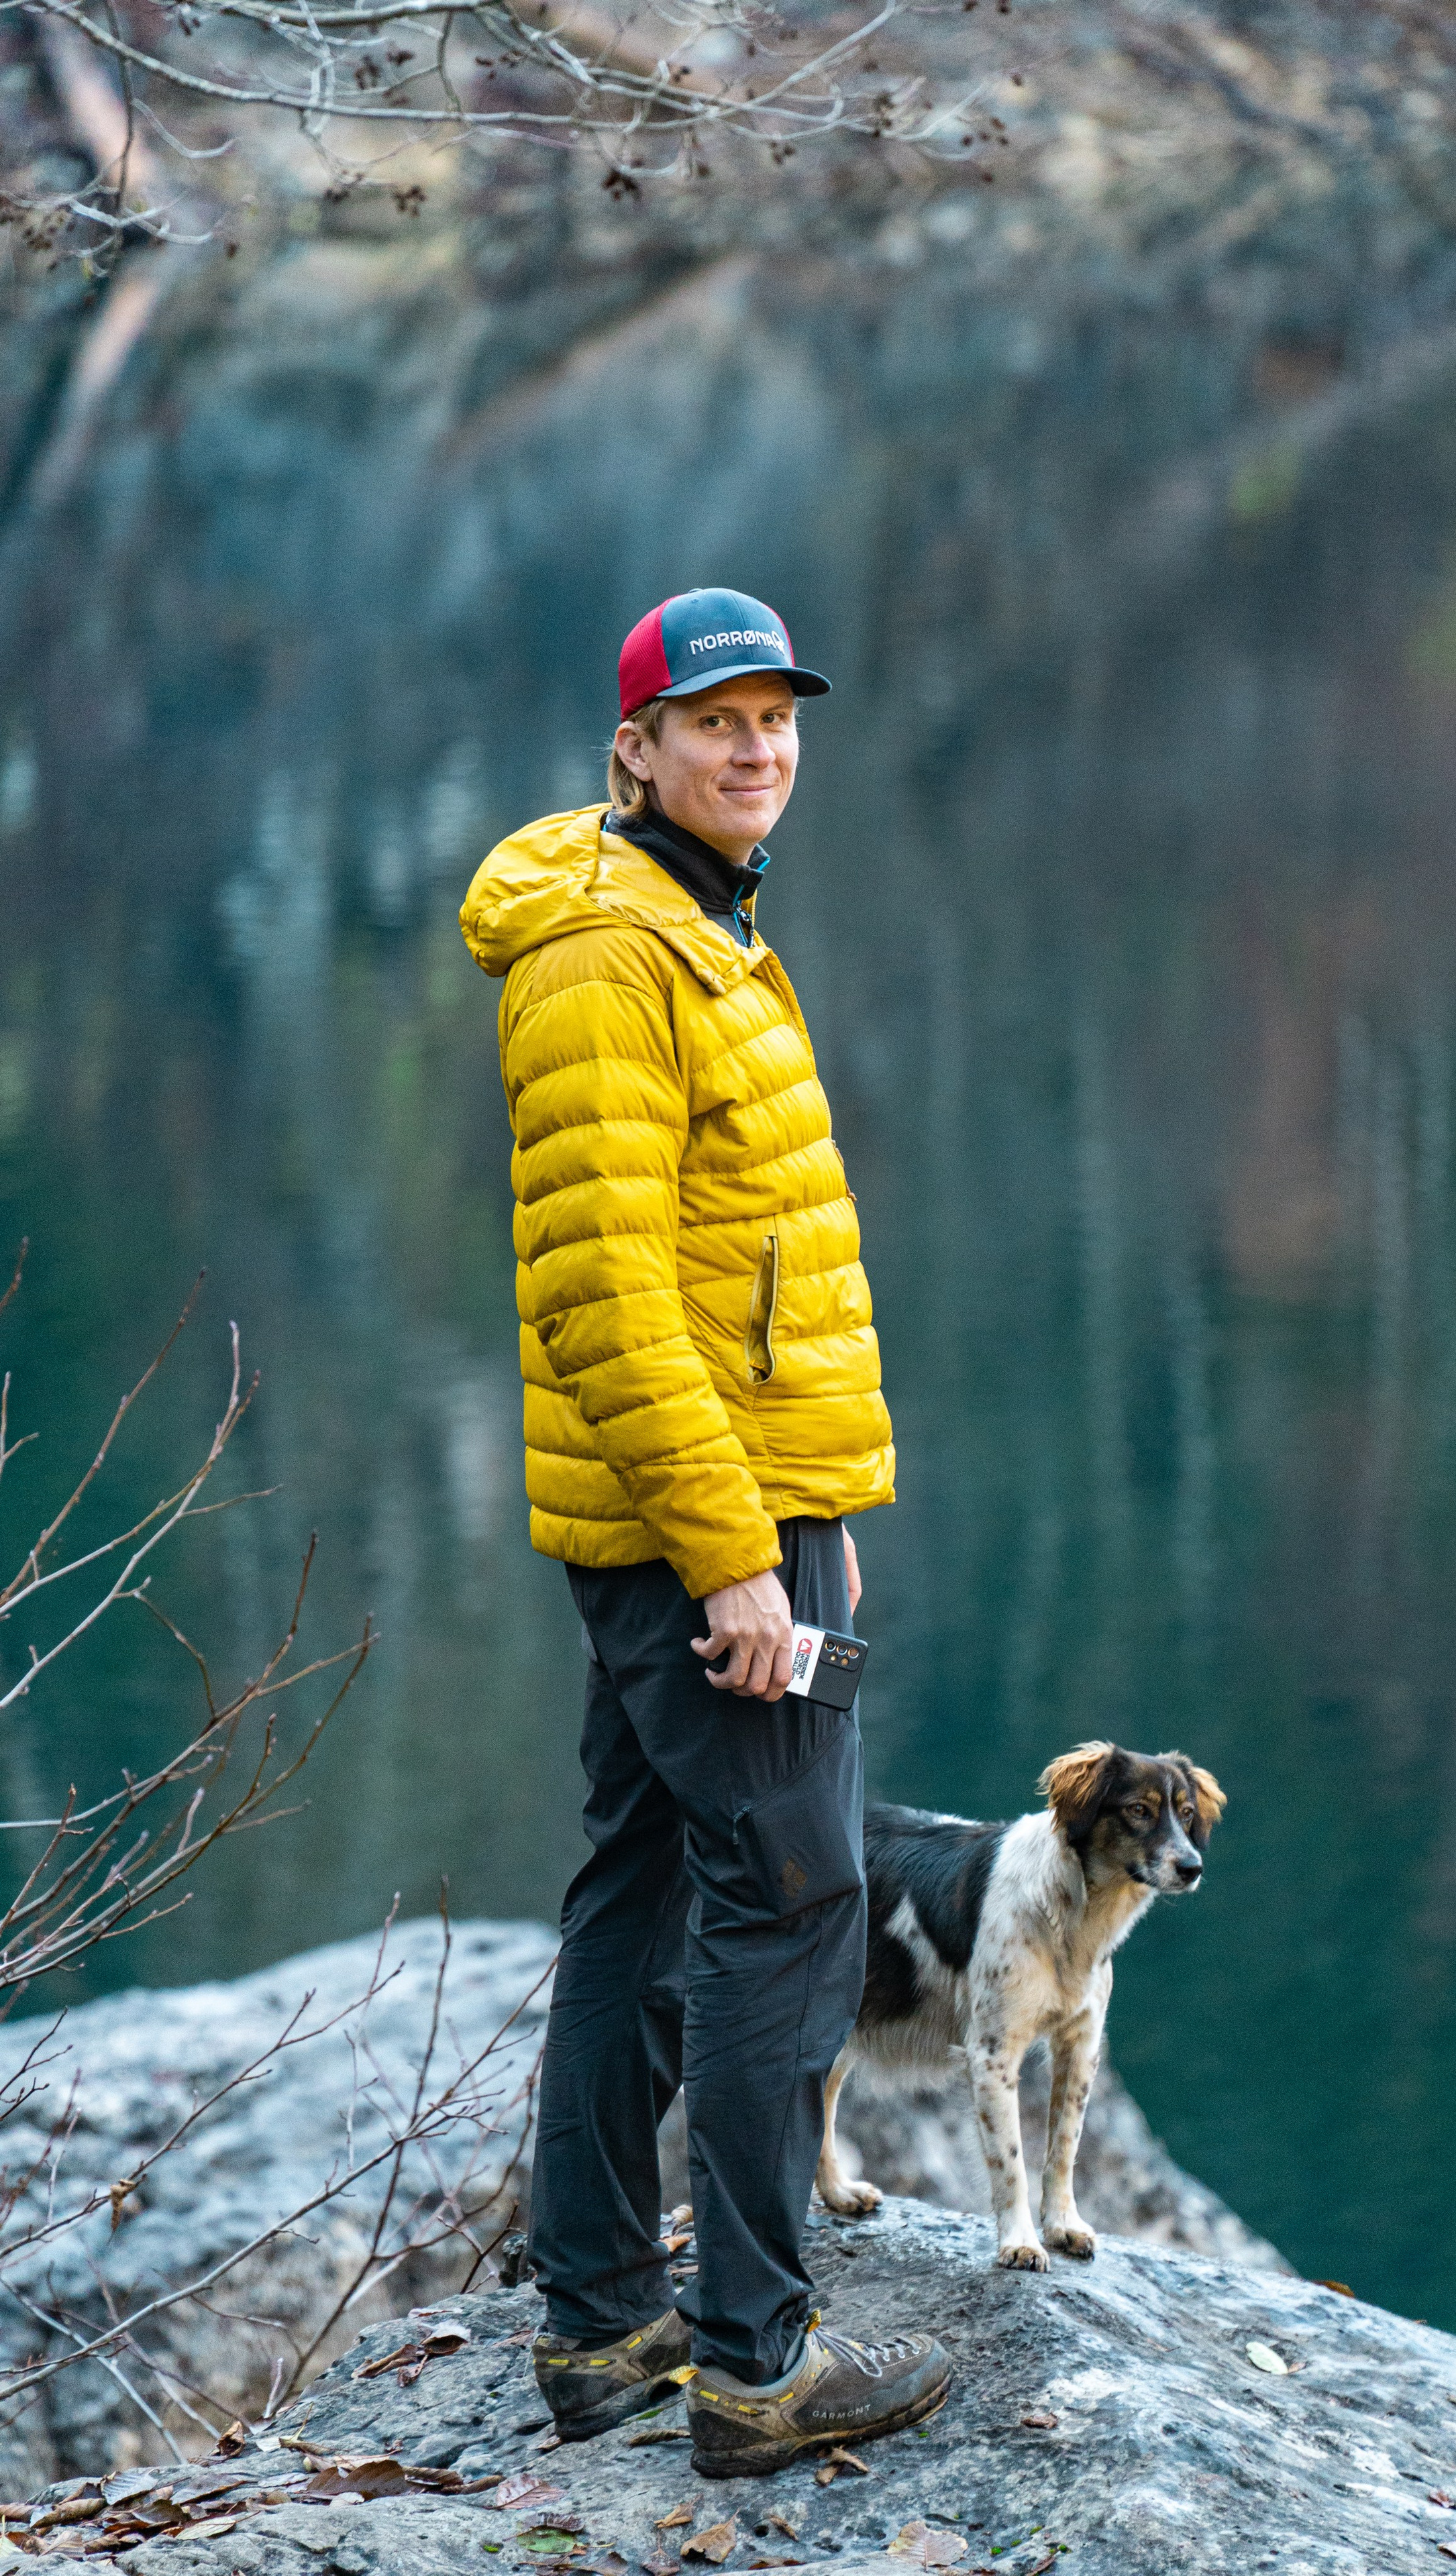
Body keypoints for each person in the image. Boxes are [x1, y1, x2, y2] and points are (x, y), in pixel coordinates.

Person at [459, 588, 952, 2479]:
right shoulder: (611, 957)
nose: (759, 750)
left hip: (741, 1503)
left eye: (780, 720)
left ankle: (601, 2327)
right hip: (696, 1526)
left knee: (648, 1887)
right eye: (719, 721)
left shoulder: (698, 919)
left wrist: (813, 1511)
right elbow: (610, 1298)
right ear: (637, 748)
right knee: (792, 1903)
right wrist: (744, 1558)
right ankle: (756, 2357)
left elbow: (747, 1275)